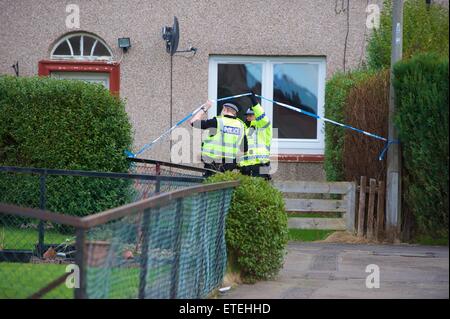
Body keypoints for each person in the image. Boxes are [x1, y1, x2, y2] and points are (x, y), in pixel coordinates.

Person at [190, 100, 246, 177]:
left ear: (225, 109)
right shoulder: (241, 126)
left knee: (209, 185)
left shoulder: (217, 121)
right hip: (229, 164)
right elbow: (245, 148)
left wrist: (205, 108)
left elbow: (193, 122)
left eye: (222, 109)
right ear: (235, 112)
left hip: (213, 162)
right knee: (222, 185)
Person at [239, 93, 272, 180]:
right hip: (246, 167)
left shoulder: (263, 126)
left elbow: (262, 117)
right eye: (247, 116)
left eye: (250, 115)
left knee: (260, 190)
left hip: (261, 164)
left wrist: (255, 103)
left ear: (256, 116)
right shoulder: (245, 129)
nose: (248, 118)